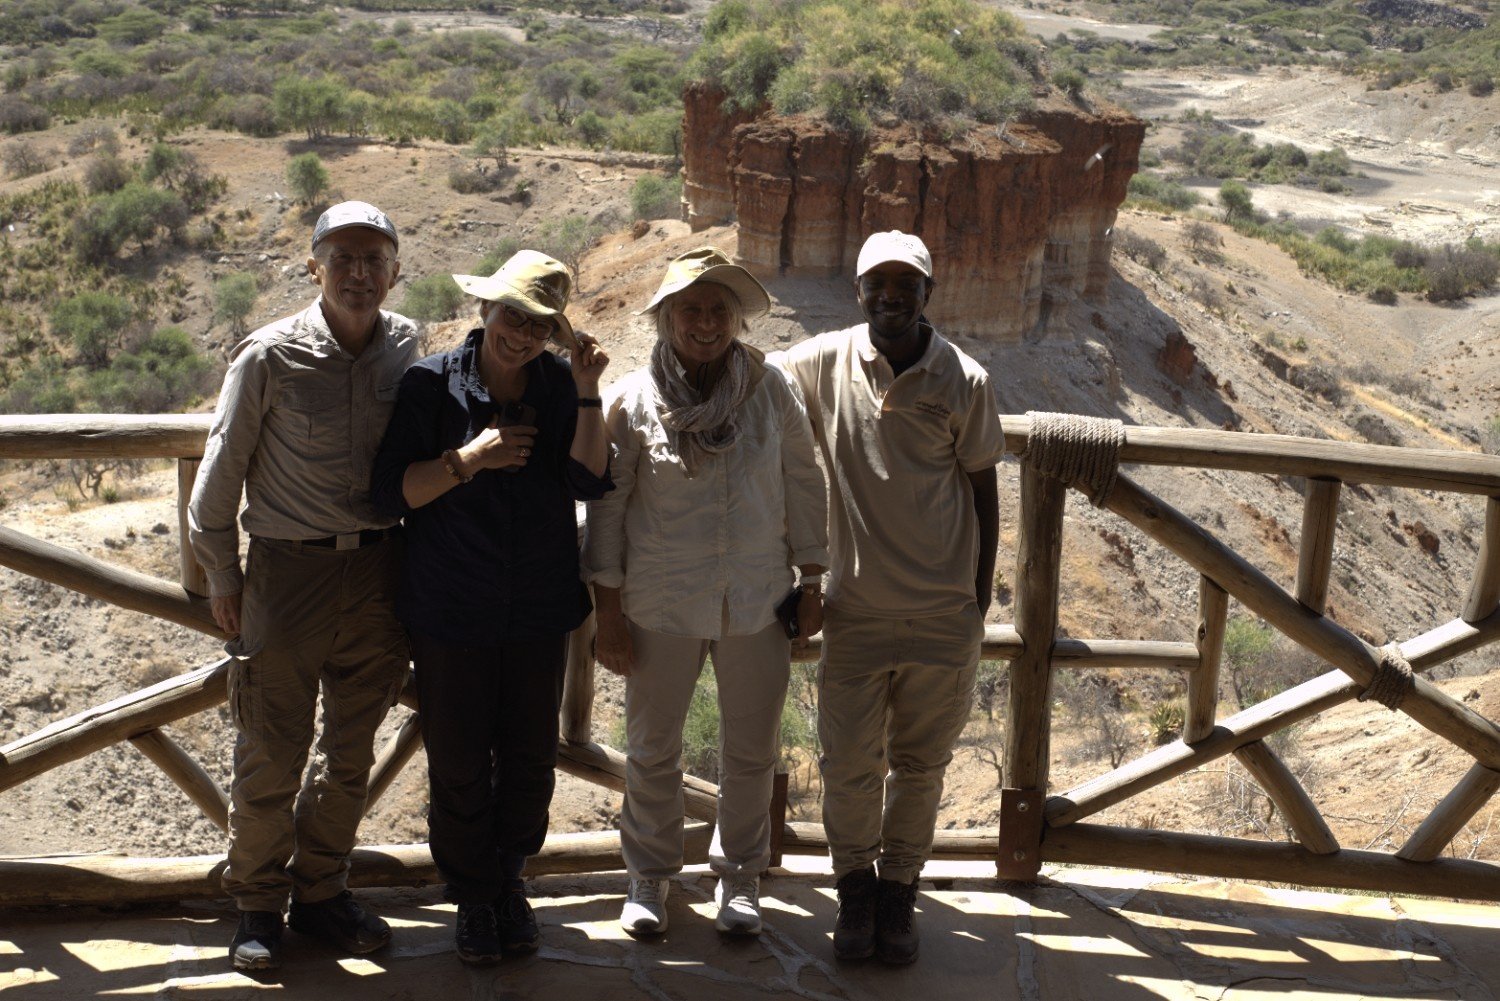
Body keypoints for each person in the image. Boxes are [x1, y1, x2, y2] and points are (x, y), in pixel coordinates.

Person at [188, 201, 419, 972]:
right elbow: (216, 487)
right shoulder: (269, 355)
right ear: (314, 265)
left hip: (380, 571)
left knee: (351, 750)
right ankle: (257, 901)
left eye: (373, 259)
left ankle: (322, 892)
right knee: (270, 748)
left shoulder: (409, 347)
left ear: (395, 269)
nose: (359, 274)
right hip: (288, 573)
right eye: (343, 258)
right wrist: (224, 575)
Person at [370, 250, 610, 965]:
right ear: (487, 311)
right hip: (453, 608)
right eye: (513, 315)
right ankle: (473, 898)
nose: (522, 333)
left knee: (532, 759)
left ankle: (508, 883)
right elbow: (389, 494)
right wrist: (467, 460)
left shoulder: (564, 385)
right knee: (462, 760)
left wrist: (592, 392)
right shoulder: (430, 385)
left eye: (540, 322)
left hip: (537, 606)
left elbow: (591, 479)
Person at [583, 247, 828, 939]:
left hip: (755, 596)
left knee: (752, 747)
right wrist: (608, 612)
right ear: (664, 317)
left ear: (737, 320)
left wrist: (813, 577)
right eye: (689, 307)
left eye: (719, 308)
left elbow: (805, 483)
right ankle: (649, 877)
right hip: (660, 599)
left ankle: (740, 875)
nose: (705, 321)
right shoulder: (633, 399)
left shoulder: (771, 389)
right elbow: (608, 508)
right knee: (652, 746)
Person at [774, 231, 1003, 965]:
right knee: (846, 763)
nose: (891, 295)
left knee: (920, 763)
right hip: (855, 610)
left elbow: (984, 490)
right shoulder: (826, 359)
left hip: (942, 616)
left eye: (905, 283)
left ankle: (899, 889)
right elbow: (758, 379)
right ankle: (855, 887)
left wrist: (976, 598)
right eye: (878, 283)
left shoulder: (963, 379)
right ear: (859, 290)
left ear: (927, 293)